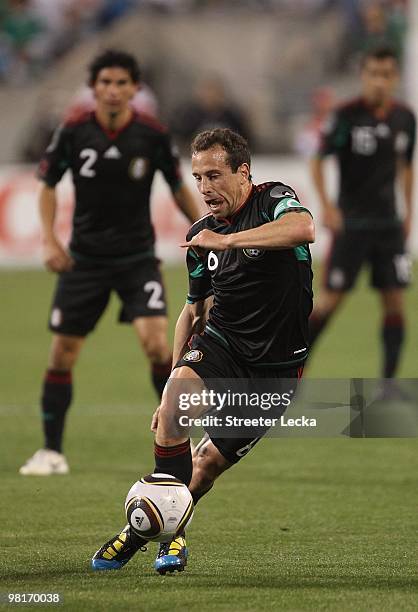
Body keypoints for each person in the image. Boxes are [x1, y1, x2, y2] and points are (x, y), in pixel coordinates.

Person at [91, 127, 314, 574]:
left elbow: (303, 228)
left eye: (214, 175)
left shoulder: (273, 200)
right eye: (197, 178)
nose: (205, 187)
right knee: (174, 411)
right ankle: (173, 540)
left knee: (206, 465)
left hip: (275, 370)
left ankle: (138, 528)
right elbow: (192, 312)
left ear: (243, 173)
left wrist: (229, 241)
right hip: (222, 344)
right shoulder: (200, 236)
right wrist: (171, 382)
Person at [19, 49, 200, 476]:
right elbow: (46, 185)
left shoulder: (152, 135)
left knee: (158, 344)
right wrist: (49, 239)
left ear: (136, 89)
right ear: (93, 88)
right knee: (62, 353)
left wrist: (206, 229)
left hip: (138, 258)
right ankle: (51, 452)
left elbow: (177, 186)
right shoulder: (74, 131)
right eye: (105, 83)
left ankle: (177, 442)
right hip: (84, 261)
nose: (114, 91)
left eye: (122, 83)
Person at [308, 46, 415, 390]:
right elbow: (317, 159)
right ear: (363, 76)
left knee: (395, 302)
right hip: (352, 225)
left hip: (388, 226)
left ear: (395, 77)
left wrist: (409, 213)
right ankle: (292, 372)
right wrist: (327, 206)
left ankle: (388, 385)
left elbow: (406, 167)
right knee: (328, 302)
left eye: (387, 74)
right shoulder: (346, 116)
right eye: (374, 74)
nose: (380, 81)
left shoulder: (405, 117)